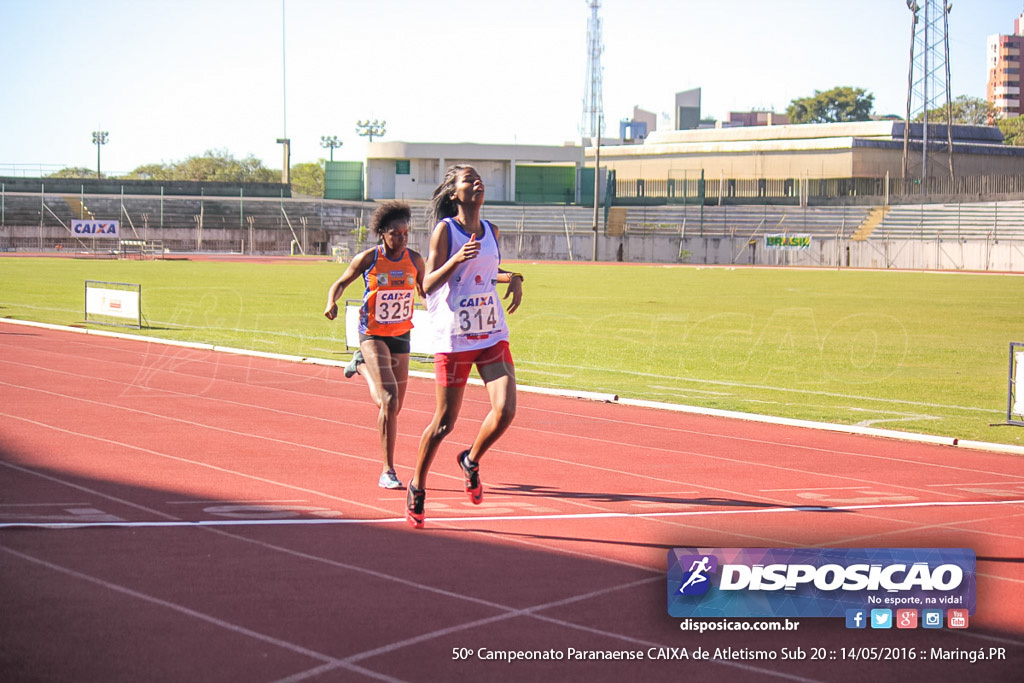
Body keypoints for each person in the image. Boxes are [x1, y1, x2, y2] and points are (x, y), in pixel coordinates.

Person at [405, 165, 524, 528]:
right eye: (467, 180)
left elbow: (486, 273)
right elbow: (426, 285)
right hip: (455, 337)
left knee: (505, 411)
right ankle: (417, 485)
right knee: (444, 423)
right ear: (454, 193)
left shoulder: (491, 230)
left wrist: (513, 277)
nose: (476, 183)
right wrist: (456, 259)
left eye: (478, 179)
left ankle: (471, 460)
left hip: (490, 332)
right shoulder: (446, 231)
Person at [324, 200, 425, 490]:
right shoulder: (369, 258)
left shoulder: (415, 260)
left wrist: (432, 304)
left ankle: (361, 367)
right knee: (390, 399)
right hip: (372, 333)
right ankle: (388, 470)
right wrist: (332, 300)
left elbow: (424, 291)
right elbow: (340, 283)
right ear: (382, 233)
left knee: (393, 406)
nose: (401, 238)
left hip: (401, 335)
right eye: (395, 233)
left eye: (406, 233)